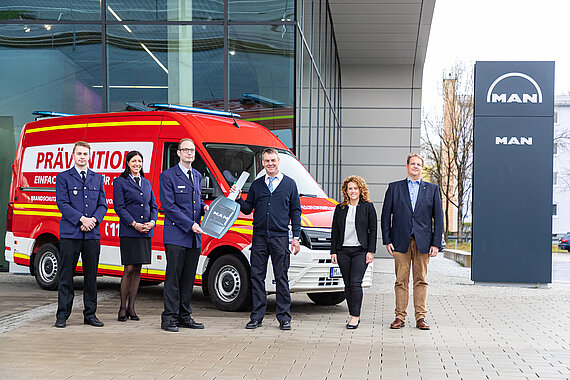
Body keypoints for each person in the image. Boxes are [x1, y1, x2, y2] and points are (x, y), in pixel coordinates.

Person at [232, 148, 301, 330]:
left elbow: (296, 211)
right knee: (257, 277)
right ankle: (256, 317)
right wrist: (239, 198)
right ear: (262, 163)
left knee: (281, 278)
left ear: (278, 162)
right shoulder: (257, 185)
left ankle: (284, 318)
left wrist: (296, 237)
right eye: (266, 161)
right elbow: (247, 209)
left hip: (280, 238)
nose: (270, 163)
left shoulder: (290, 184)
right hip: (260, 238)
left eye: (273, 160)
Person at [381, 153, 443, 330]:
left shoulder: (432, 190)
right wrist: (387, 240)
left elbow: (438, 219)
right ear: (407, 166)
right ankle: (399, 317)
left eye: (419, 164)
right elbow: (386, 216)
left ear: (422, 168)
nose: (416, 167)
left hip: (424, 242)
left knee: (420, 280)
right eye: (413, 164)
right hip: (400, 242)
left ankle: (420, 318)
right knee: (401, 281)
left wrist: (436, 243)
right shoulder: (394, 188)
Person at [55, 141, 108, 328]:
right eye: (79, 154)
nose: (82, 157)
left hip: (92, 234)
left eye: (85, 154)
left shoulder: (97, 178)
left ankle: (90, 314)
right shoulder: (63, 177)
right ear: (73, 156)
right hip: (71, 234)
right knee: (66, 276)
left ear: (90, 156)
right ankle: (62, 315)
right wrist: (81, 220)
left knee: (91, 277)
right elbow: (62, 203)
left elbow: (103, 205)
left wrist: (93, 220)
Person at [159, 138, 209, 332]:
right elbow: (169, 206)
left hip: (193, 238)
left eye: (192, 150)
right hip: (176, 235)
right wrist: (190, 225)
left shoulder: (196, 175)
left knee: (188, 279)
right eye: (185, 150)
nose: (189, 153)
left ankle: (184, 315)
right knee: (173, 279)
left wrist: (204, 208)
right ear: (178, 153)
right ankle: (169, 318)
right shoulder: (168, 176)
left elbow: (194, 203)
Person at [113, 151, 158, 322]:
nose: (137, 164)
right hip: (130, 230)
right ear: (127, 163)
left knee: (138, 269)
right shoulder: (120, 182)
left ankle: (132, 307)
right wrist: (134, 224)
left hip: (146, 231)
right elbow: (119, 207)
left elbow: (153, 206)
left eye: (139, 161)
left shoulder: (146, 183)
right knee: (129, 268)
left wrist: (152, 222)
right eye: (134, 161)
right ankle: (122, 308)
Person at [330, 176, 377, 329]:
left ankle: (355, 317)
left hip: (360, 251)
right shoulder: (340, 208)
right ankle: (352, 313)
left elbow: (373, 231)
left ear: (360, 190)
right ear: (346, 191)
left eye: (355, 188)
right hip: (343, 251)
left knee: (356, 283)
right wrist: (333, 252)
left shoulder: (368, 207)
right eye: (350, 188)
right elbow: (335, 231)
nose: (353, 191)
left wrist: (371, 251)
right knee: (347, 284)